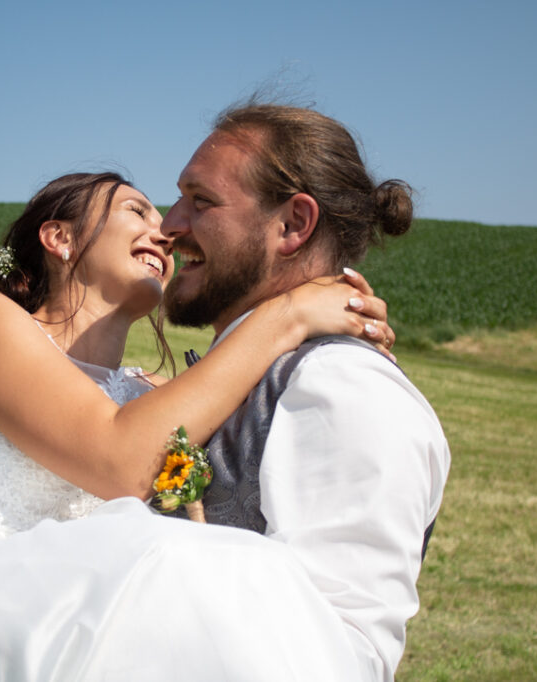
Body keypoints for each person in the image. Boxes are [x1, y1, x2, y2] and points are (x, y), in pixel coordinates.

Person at [0, 170, 394, 680]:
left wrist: (351, 331)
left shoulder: (152, 399)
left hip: (76, 631)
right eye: (138, 212)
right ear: (59, 239)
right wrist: (288, 315)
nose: (166, 232)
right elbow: (116, 458)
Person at [155, 102, 451, 681]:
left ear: (292, 225)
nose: (170, 223)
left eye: (201, 200)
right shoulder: (252, 369)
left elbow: (339, 656)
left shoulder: (344, 390)